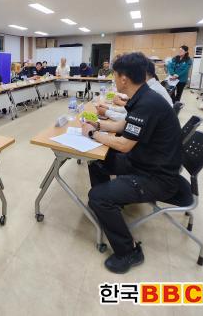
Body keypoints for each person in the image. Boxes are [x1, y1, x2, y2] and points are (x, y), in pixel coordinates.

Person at [81, 52, 182, 274]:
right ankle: (110, 205)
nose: (114, 79)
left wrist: (92, 135)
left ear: (124, 78)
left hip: (157, 177)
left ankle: (129, 252)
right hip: (145, 162)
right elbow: (124, 126)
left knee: (97, 197)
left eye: (115, 75)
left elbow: (125, 145)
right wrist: (97, 126)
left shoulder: (147, 103)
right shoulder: (143, 97)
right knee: (96, 161)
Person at [96, 59, 173, 121]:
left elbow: (129, 118)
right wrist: (109, 108)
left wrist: (106, 112)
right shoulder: (150, 88)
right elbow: (131, 110)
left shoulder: (151, 92)